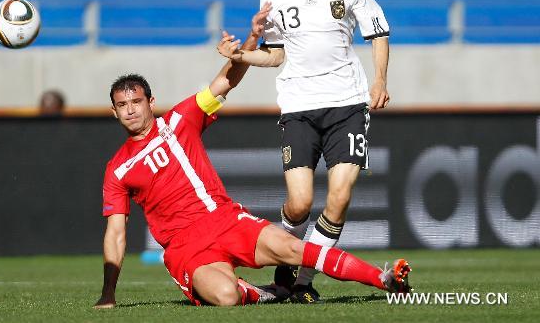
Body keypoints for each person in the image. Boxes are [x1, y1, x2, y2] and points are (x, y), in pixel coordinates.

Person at [94, 26, 411, 308]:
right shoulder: (118, 168)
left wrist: (249, 42)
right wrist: (109, 293)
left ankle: (384, 279)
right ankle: (270, 293)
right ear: (114, 112)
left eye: (136, 101)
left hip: (225, 220)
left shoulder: (179, 119)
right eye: (122, 105)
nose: (130, 110)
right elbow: (116, 234)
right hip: (185, 248)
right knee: (226, 296)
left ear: (151, 102)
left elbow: (224, 83)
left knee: (291, 248)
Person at [217, 0, 391, 304]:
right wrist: (242, 52)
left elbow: (378, 32)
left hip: (347, 103)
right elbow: (275, 56)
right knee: (298, 204)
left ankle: (303, 280)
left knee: (339, 196)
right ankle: (287, 258)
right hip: (298, 107)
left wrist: (379, 80)